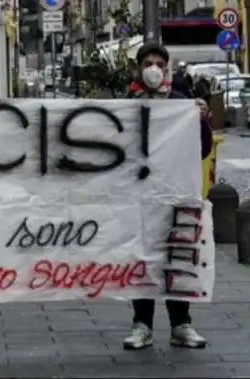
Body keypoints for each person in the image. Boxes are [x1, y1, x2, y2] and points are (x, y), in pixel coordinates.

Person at [122, 42, 209, 350]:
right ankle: (142, 324)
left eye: (160, 63)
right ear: (138, 68)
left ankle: (181, 324)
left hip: (173, 193)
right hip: (140, 196)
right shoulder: (126, 105)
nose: (154, 69)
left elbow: (203, 148)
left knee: (177, 257)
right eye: (148, 63)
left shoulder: (180, 102)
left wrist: (201, 120)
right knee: (142, 258)